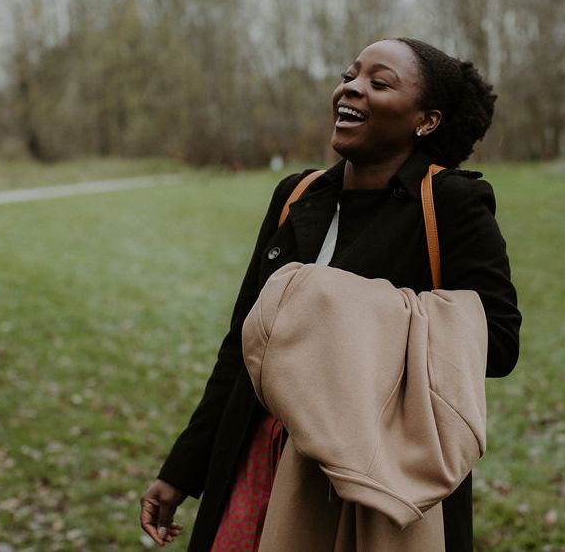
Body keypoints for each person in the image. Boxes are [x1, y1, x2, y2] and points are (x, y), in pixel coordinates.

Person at [140, 37, 522, 551]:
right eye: (349, 76)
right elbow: (242, 346)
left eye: (378, 83)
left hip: (376, 466)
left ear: (425, 120)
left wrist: (334, 305)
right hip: (261, 455)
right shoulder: (296, 196)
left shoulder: (450, 203)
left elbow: (497, 342)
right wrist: (183, 470)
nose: (351, 89)